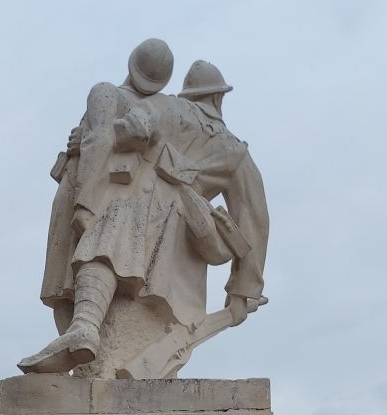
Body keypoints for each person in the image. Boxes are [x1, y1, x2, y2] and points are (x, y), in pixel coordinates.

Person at [18, 49, 269, 376]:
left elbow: (131, 125)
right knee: (106, 255)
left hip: (133, 209)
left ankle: (86, 330)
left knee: (95, 257)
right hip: (174, 238)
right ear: (219, 99)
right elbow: (255, 217)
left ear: (188, 93)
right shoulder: (235, 149)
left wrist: (91, 137)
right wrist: (244, 288)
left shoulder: (167, 105)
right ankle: (87, 337)